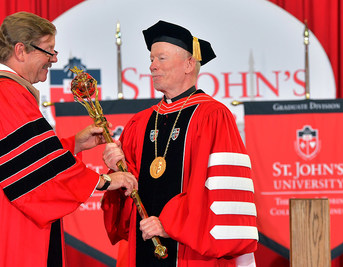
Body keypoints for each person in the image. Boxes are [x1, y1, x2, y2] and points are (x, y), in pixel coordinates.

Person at [0, 12, 137, 267]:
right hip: (8, 233)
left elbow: (19, 158)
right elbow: (33, 175)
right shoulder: (6, 92)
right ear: (21, 50)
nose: (54, 59)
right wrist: (105, 181)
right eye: (48, 51)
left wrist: (74, 144)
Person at [101, 20, 258, 266]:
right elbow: (129, 195)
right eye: (151, 59)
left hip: (191, 250)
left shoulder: (213, 116)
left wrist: (170, 224)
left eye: (161, 59)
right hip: (144, 243)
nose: (152, 66)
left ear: (188, 64)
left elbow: (217, 188)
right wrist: (117, 170)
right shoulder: (140, 122)